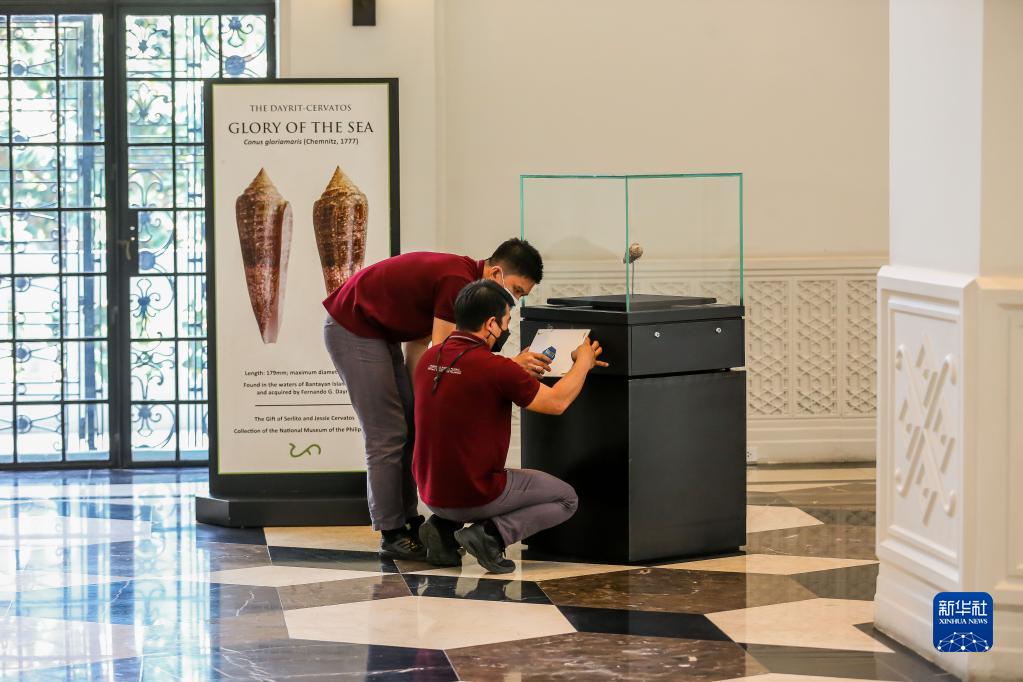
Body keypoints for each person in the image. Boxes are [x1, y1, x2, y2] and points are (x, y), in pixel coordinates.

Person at [322, 240, 553, 560]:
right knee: (387, 434)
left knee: (407, 425)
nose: (512, 301)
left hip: (381, 334)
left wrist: (422, 404)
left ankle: (409, 520)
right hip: (353, 328)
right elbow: (448, 357)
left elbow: (420, 348)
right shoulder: (457, 281)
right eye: (515, 290)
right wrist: (510, 366)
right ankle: (391, 532)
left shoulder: (461, 280)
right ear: (496, 273)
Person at [412, 280, 607, 573]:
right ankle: (491, 535)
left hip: (430, 493)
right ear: (490, 323)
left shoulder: (431, 357)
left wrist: (513, 368)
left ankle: (442, 528)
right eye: (506, 322)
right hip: (475, 494)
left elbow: (472, 378)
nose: (506, 329)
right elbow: (556, 402)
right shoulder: (497, 369)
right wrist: (584, 362)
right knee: (566, 498)